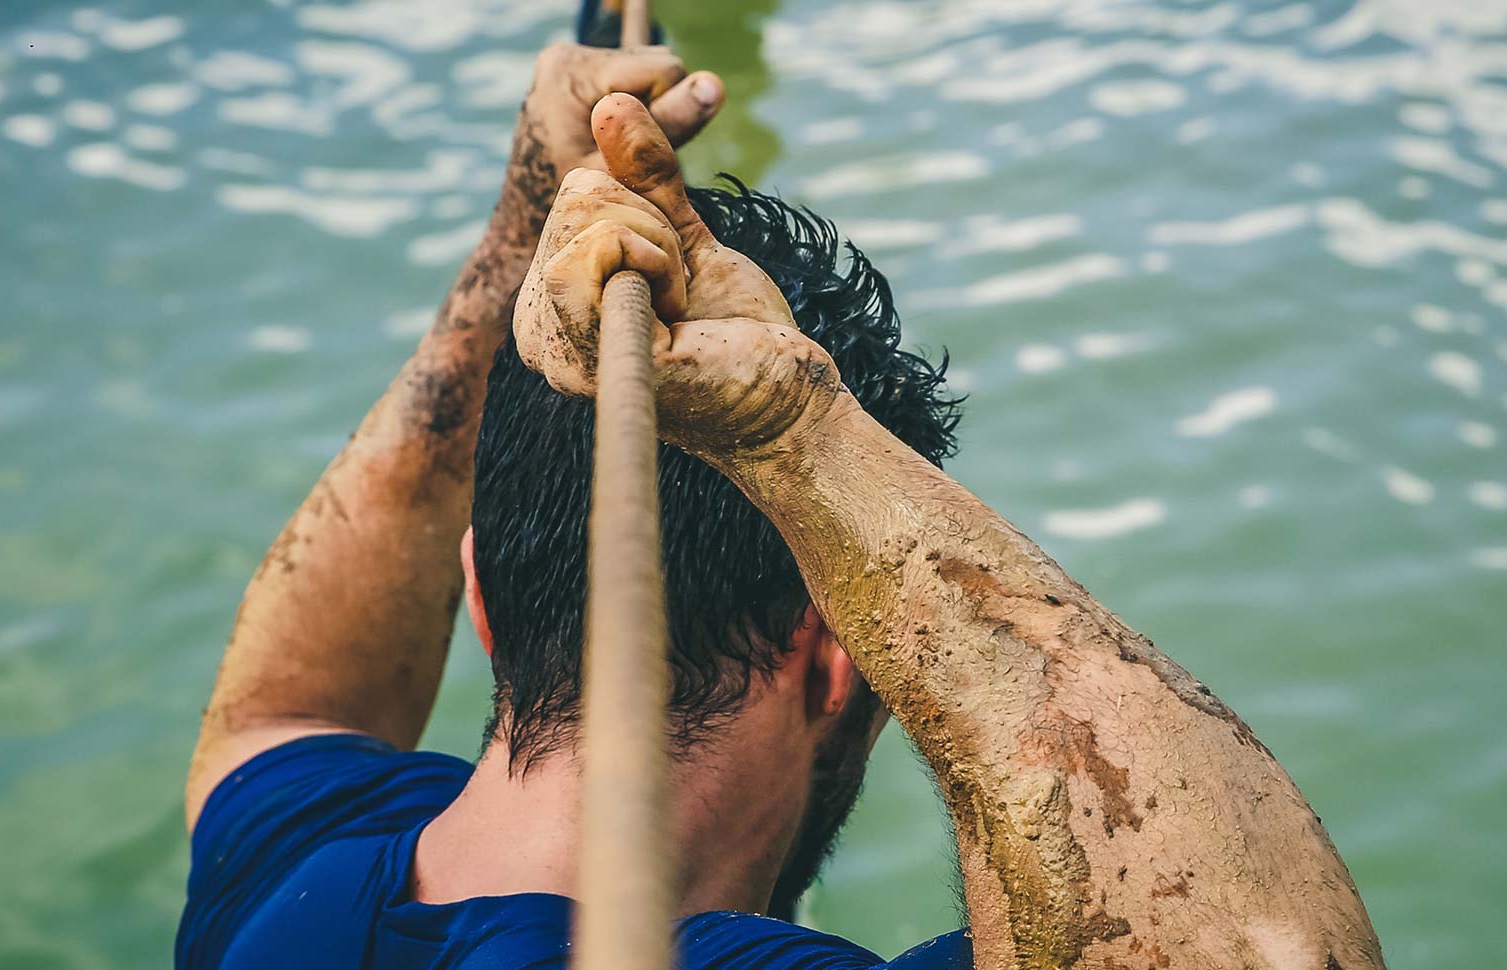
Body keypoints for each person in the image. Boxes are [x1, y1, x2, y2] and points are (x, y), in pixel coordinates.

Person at [179, 42, 1384, 970]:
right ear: (840, 657)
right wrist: (801, 440)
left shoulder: (284, 875)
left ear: (481, 596)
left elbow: (284, 703)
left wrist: (526, 219)